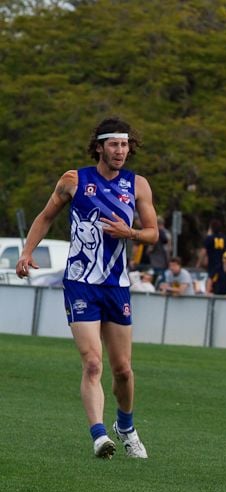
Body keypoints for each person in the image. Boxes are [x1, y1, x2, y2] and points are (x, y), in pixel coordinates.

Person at [15, 117, 155, 459]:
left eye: (124, 145)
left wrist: (131, 234)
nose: (120, 151)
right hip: (80, 283)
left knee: (122, 370)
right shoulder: (74, 180)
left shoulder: (138, 185)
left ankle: (126, 426)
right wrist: (27, 252)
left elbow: (152, 232)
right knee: (93, 363)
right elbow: (47, 216)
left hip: (117, 285)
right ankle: (99, 436)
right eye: (114, 145)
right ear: (99, 147)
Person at [148, 215, 171, 286]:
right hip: (165, 259)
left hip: (156, 259)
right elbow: (169, 247)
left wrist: (149, 251)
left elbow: (151, 248)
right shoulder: (167, 233)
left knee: (155, 277)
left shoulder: (156, 233)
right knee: (163, 277)